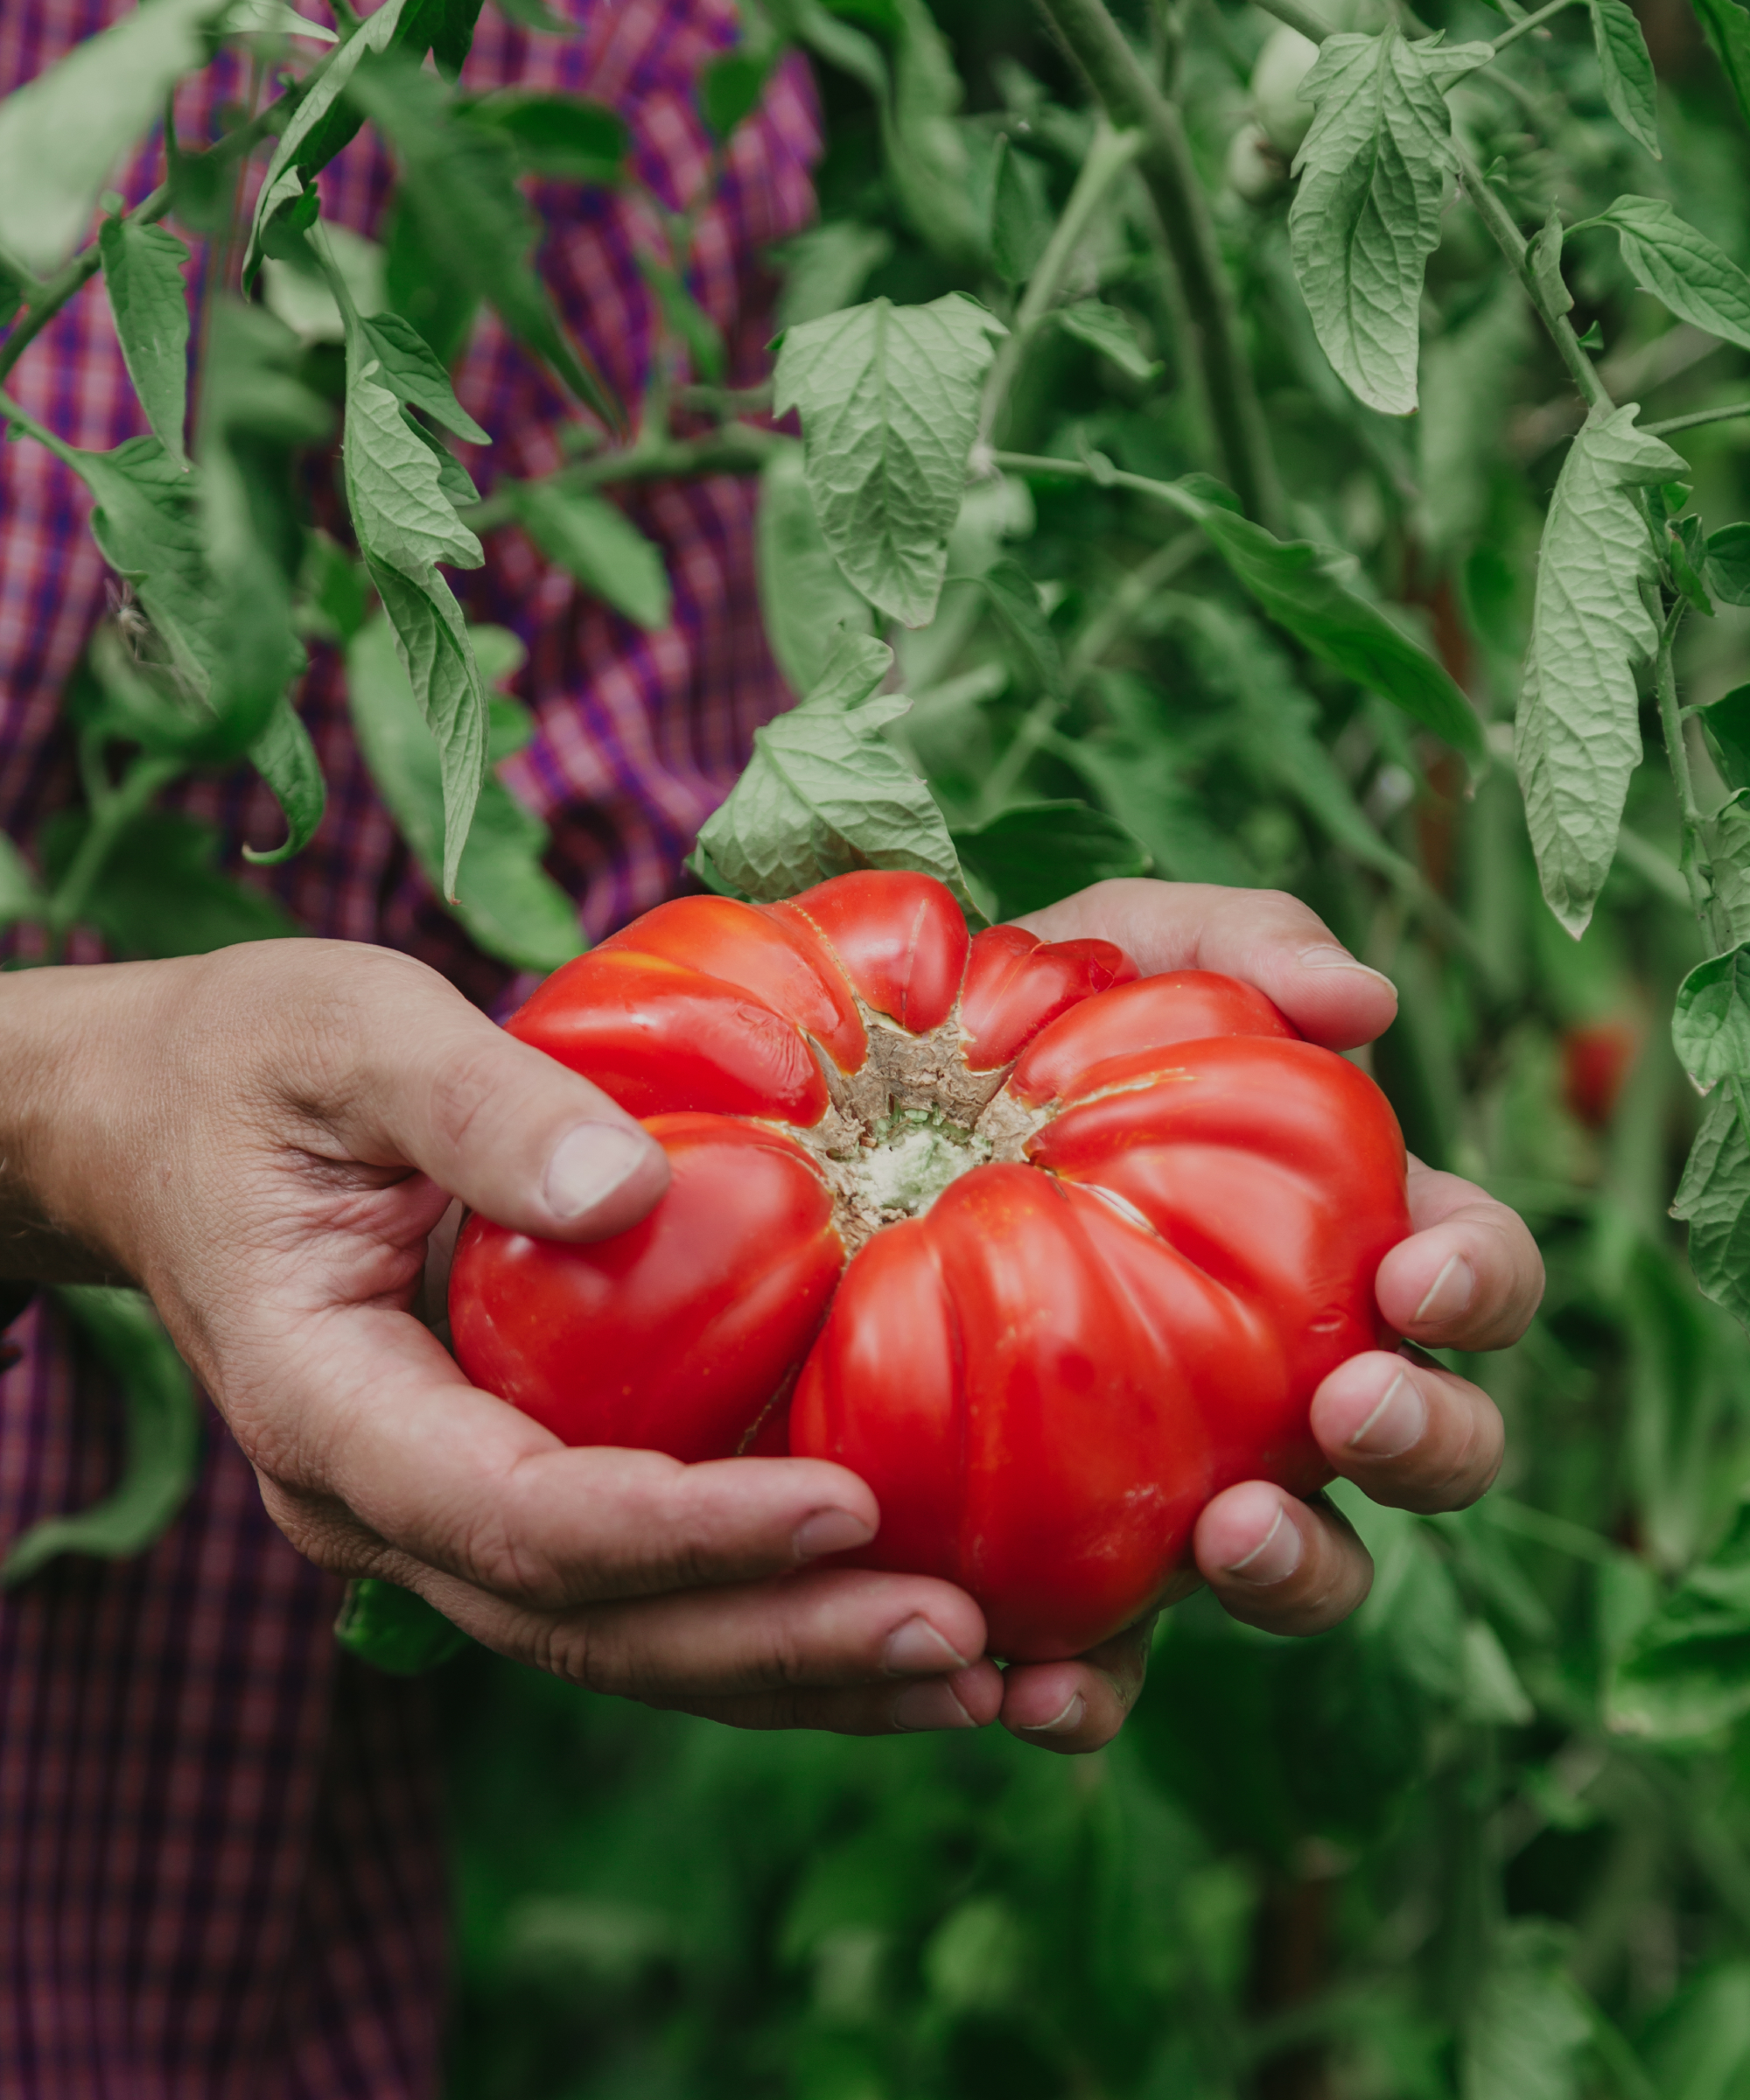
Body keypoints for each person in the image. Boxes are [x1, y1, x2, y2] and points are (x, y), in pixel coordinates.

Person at [0, 2, 1544, 2091]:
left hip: (181, 1918)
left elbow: (614, 938)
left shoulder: (610, 47)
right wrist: (71, 1111)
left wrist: (1013, 1026)